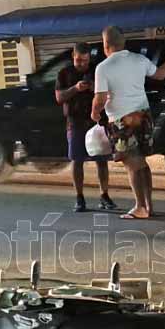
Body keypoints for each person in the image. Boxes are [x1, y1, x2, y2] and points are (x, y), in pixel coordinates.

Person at [91, 26, 165, 219]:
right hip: (144, 116)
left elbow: (100, 98)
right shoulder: (139, 59)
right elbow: (160, 74)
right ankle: (148, 205)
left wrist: (95, 112)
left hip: (122, 119)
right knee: (142, 163)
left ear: (106, 44)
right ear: (123, 42)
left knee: (132, 164)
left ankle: (140, 207)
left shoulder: (103, 68)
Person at [55, 42, 115, 212]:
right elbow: (59, 97)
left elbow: (108, 93)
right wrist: (75, 88)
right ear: (73, 57)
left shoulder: (98, 71)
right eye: (78, 60)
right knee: (77, 160)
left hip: (97, 121)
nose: (81, 64)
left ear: (90, 58)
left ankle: (104, 195)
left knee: (102, 160)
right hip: (75, 122)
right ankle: (79, 197)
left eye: (85, 60)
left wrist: (94, 89)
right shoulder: (64, 73)